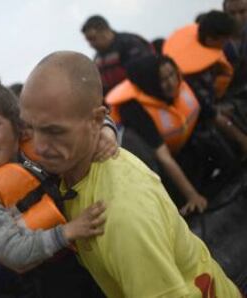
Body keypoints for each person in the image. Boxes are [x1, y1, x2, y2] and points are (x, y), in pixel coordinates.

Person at [20, 50, 241, 297]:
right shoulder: (73, 168)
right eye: (29, 128)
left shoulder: (120, 215)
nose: (38, 147)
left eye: (54, 131)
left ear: (96, 121)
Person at [0, 81, 118, 297]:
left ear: (18, 125)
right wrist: (69, 231)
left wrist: (107, 132)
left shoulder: (36, 132)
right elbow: (13, 252)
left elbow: (91, 118)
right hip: (49, 276)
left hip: (98, 241)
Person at [105, 55, 207, 215]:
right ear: (150, 82)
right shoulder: (132, 107)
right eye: (163, 79)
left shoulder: (182, 86)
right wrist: (192, 196)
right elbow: (163, 156)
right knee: (152, 161)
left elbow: (214, 116)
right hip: (154, 162)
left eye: (172, 74)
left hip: (179, 147)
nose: (171, 83)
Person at [164, 10, 247, 158]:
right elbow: (210, 113)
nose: (227, 44)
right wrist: (241, 139)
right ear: (211, 39)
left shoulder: (214, 55)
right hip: (197, 130)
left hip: (216, 108)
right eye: (224, 40)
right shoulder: (187, 73)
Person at [81, 15, 153, 95]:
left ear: (104, 31)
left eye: (93, 38)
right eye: (88, 41)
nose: (91, 45)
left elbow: (146, 73)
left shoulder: (130, 43)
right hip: (115, 102)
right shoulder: (97, 59)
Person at [223, 0, 247, 96]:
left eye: (242, 12)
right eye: (232, 13)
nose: (237, 18)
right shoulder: (215, 39)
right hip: (229, 96)